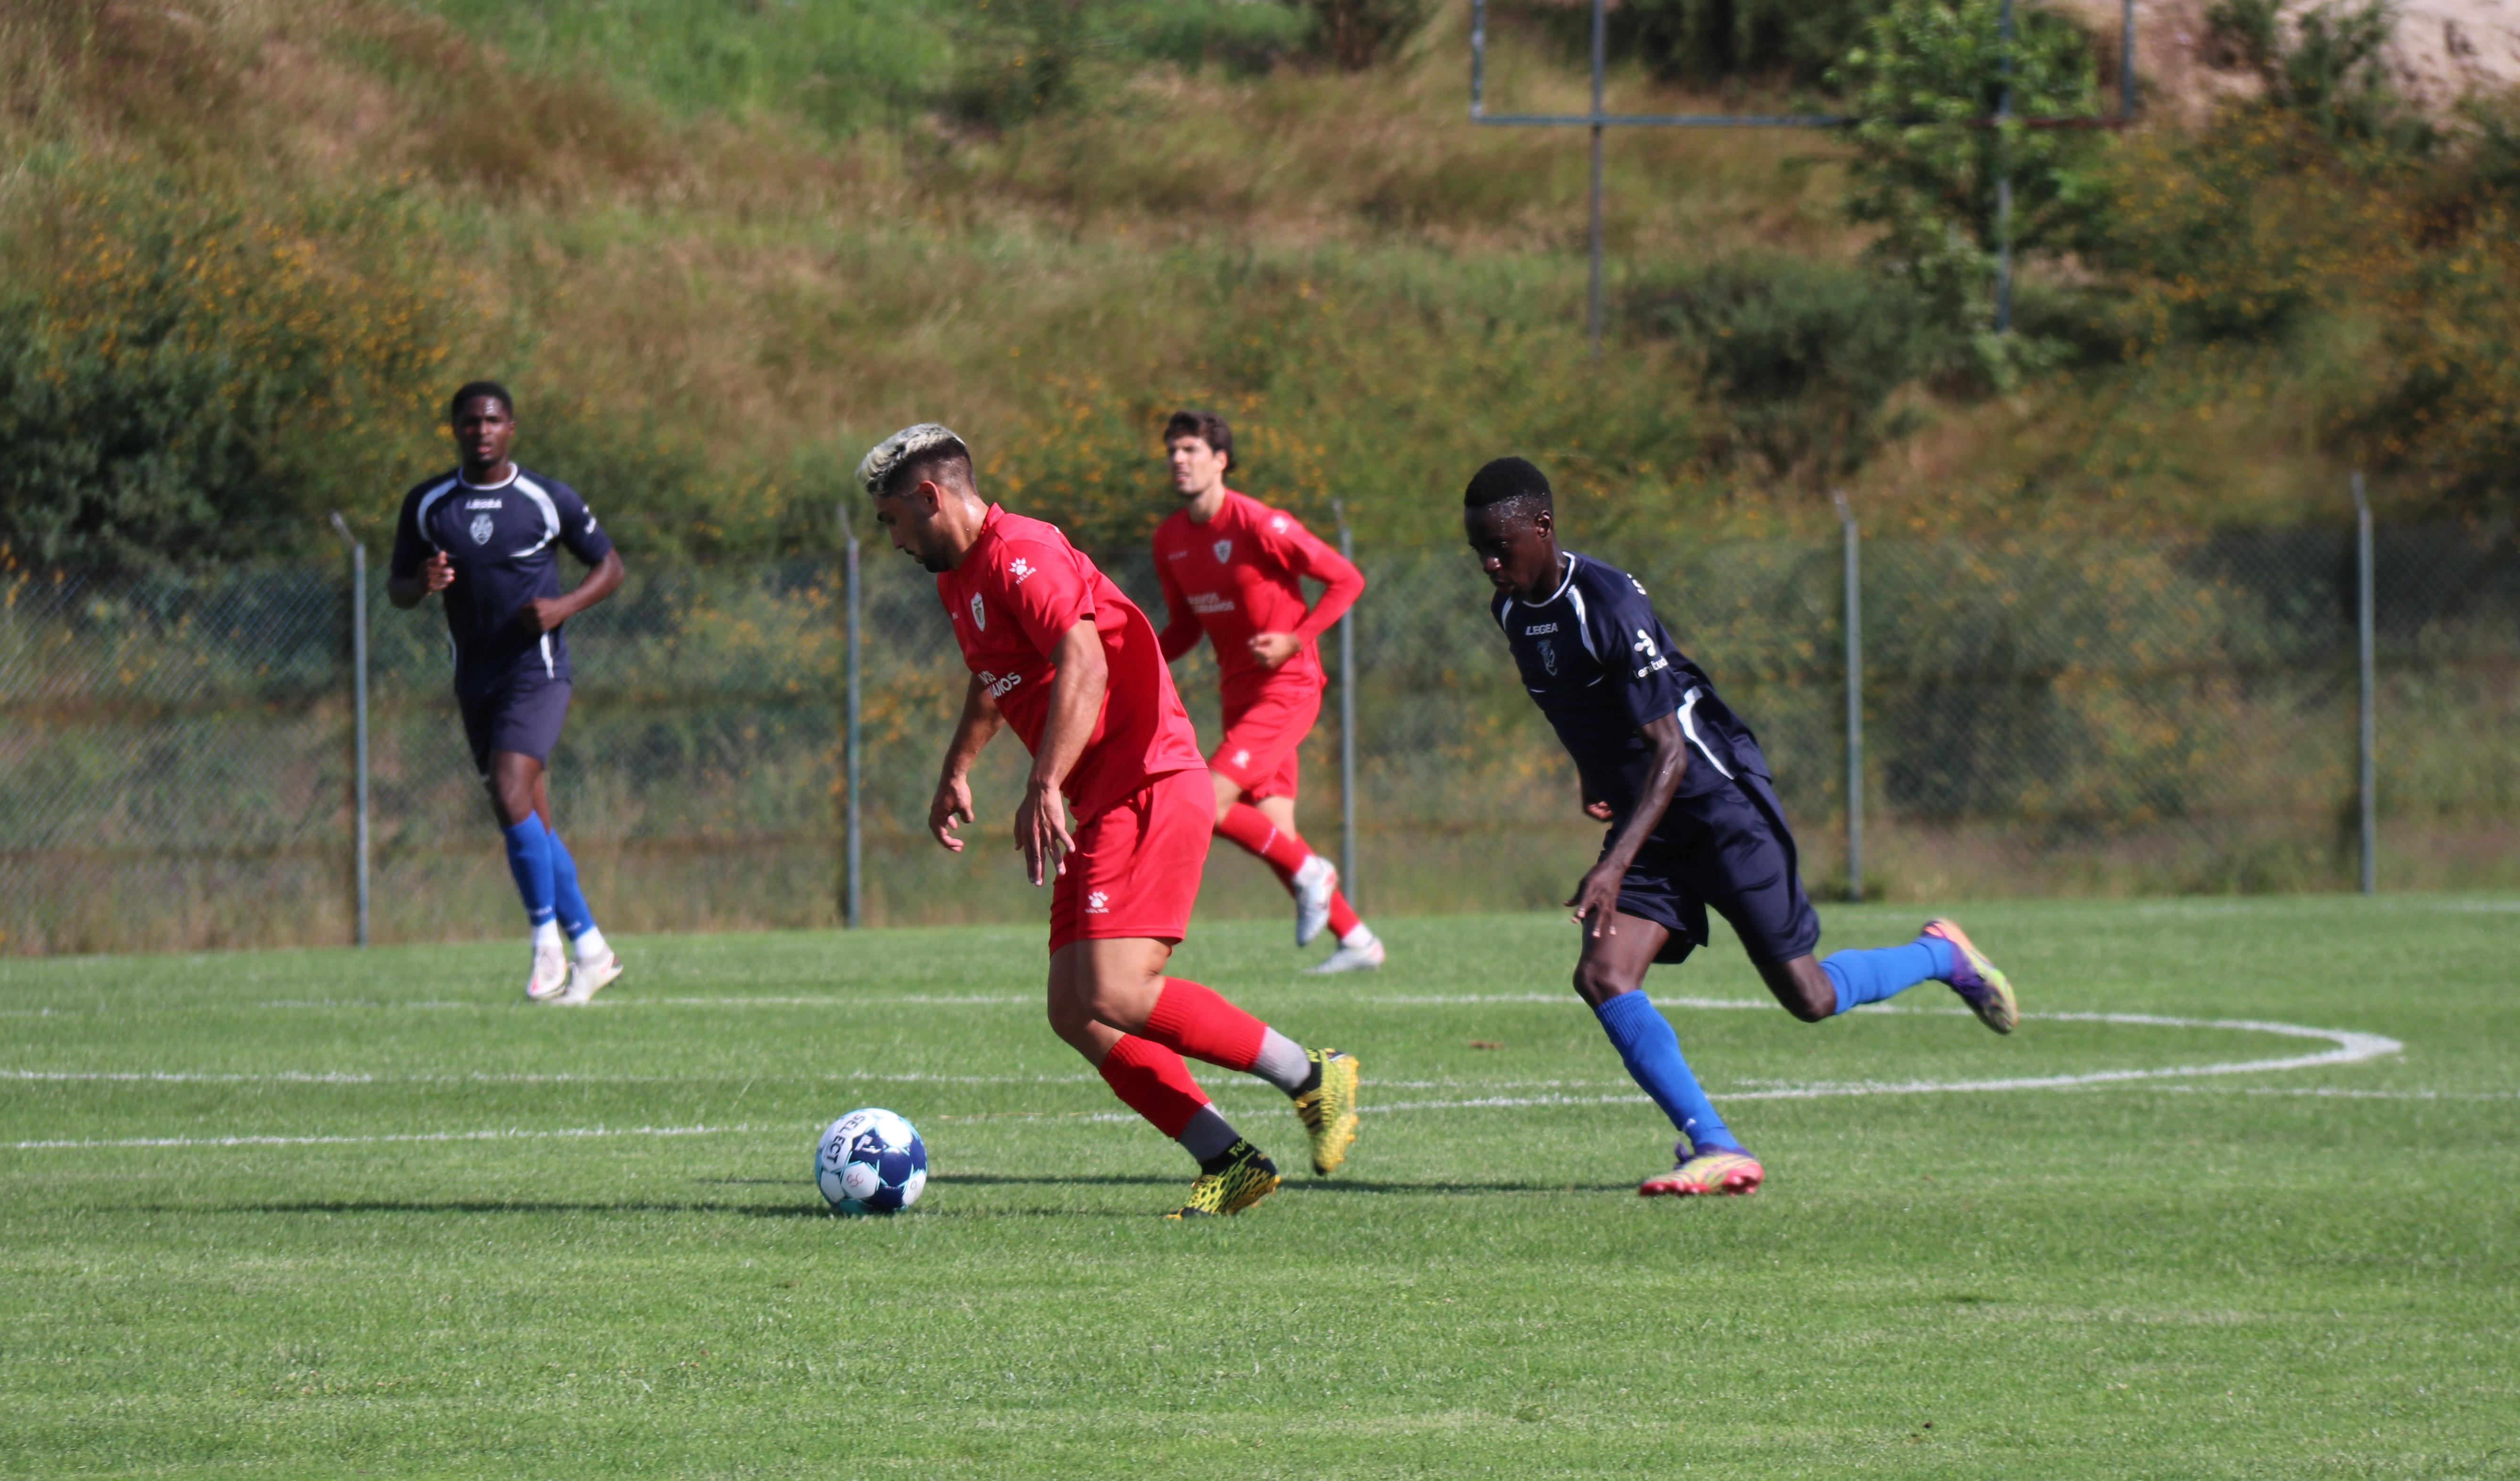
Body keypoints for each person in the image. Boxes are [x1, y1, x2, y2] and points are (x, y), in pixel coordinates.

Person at [1461, 457, 2020, 1197]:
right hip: (1648, 820)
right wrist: (1596, 779)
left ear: (1544, 526)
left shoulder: (1607, 601)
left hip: (1713, 803)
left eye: (1501, 545)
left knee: (1809, 996)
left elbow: (1668, 748)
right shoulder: (1510, 614)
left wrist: (1612, 863)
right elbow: (1575, 708)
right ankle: (1716, 1144)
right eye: (1478, 550)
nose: (1490, 563)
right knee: (1601, 973)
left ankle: (1940, 955)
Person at [861, 423, 1361, 1218]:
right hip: (1102, 799)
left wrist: (1044, 779)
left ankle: (1311, 1073)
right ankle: (1228, 1159)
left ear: (929, 497)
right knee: (1075, 1010)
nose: (888, 539)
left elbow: (1083, 655)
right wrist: (958, 765)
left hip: (1148, 779)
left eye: (890, 519)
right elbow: (996, 679)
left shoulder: (1022, 551)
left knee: (1119, 992)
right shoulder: (957, 577)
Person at [389, 382, 628, 1004]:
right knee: (529, 816)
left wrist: (563, 607)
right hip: (475, 676)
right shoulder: (429, 504)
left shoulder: (546, 499)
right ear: (455, 430)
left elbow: (610, 566)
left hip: (538, 671)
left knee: (509, 786)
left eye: (493, 420)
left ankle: (546, 942)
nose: (482, 430)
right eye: (470, 422)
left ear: (511, 428)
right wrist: (422, 579)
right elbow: (397, 588)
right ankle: (592, 949)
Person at [1151, 410, 1383, 974]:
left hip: (1288, 685)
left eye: (1190, 450)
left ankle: (1315, 875)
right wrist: (1134, 659)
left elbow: (1347, 579)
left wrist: (1294, 640)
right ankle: (1356, 939)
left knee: (1204, 801)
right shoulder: (1171, 540)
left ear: (1220, 460)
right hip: (1239, 694)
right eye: (1173, 452)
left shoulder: (1259, 523)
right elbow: (1183, 627)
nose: (1179, 460)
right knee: (1276, 832)